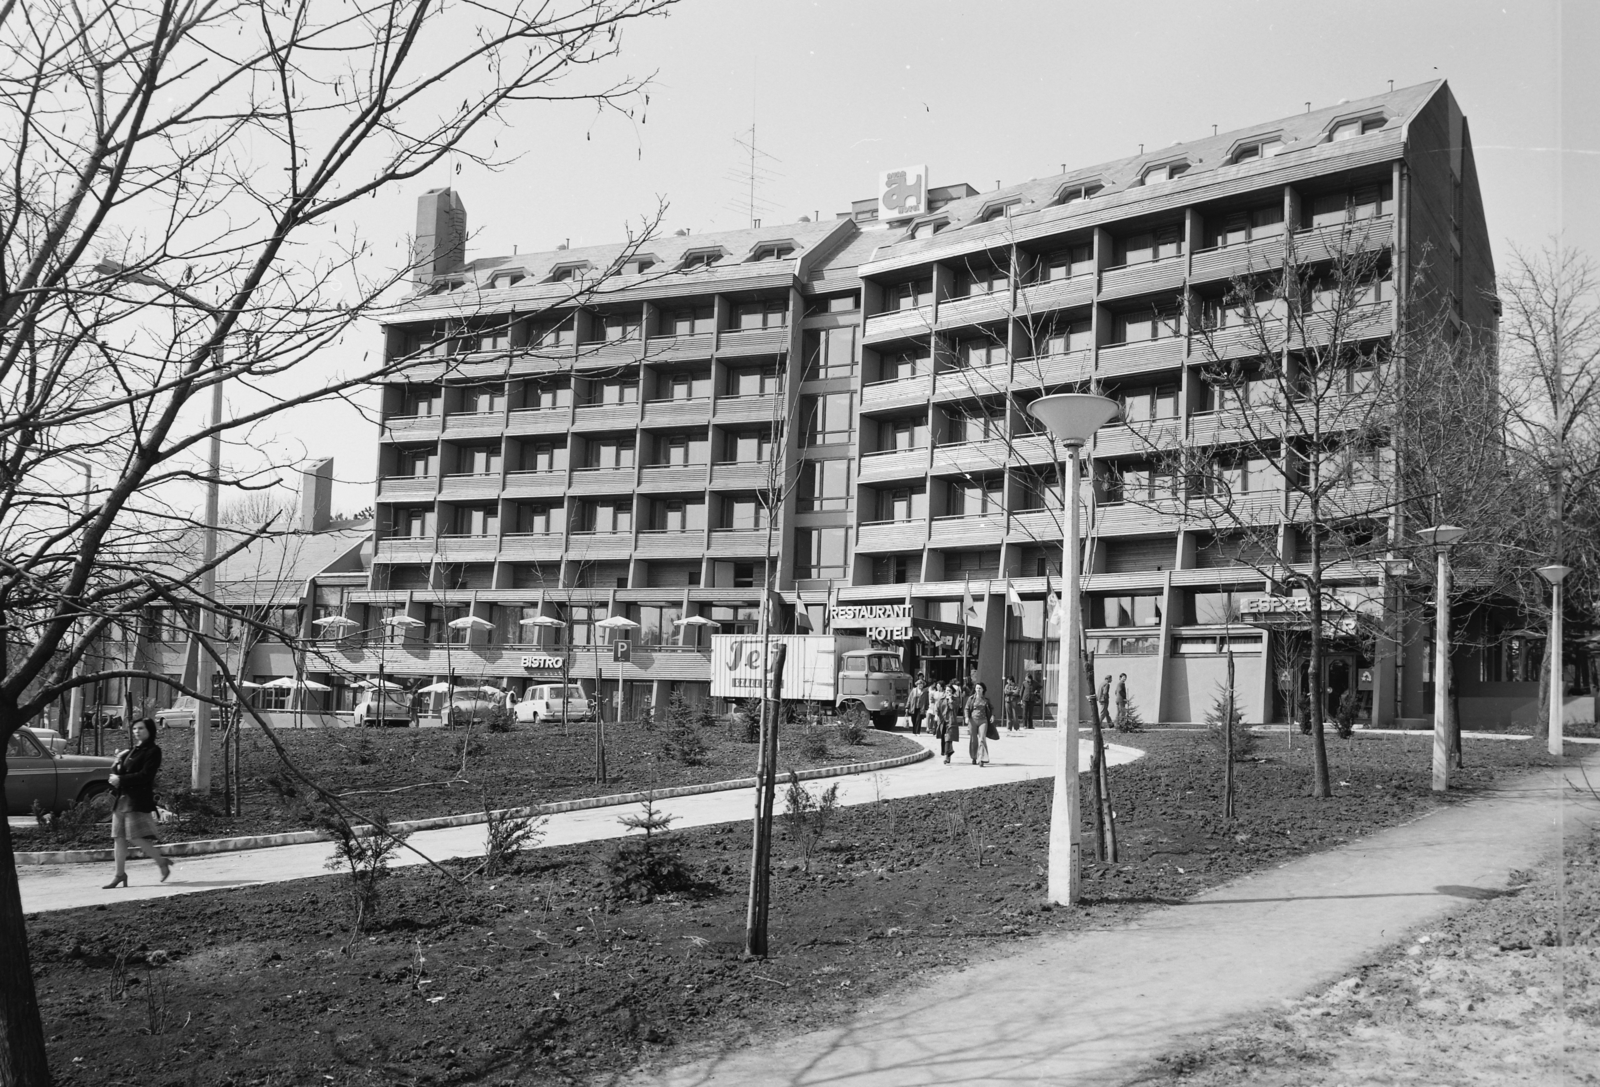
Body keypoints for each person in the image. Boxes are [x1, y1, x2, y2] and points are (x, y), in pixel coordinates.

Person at [104, 718, 171, 888]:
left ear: (149, 730)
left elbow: (146, 776)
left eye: (141, 728)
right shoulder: (132, 751)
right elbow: (119, 773)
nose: (137, 731)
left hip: (137, 800)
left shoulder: (153, 751)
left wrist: (120, 779)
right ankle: (119, 875)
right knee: (118, 838)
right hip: (122, 800)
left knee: (136, 837)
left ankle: (161, 861)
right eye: (134, 728)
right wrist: (117, 762)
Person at [965, 681, 996, 767]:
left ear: (983, 690)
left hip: (983, 721)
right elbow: (966, 708)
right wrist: (967, 717)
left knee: (982, 739)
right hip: (972, 721)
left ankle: (981, 758)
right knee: (973, 739)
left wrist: (992, 715)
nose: (978, 689)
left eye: (980, 688)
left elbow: (992, 708)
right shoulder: (971, 699)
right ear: (975, 689)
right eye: (977, 688)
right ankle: (974, 757)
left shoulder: (986, 700)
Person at [934, 681, 958, 764]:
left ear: (952, 692)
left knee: (949, 738)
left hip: (951, 721)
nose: (948, 692)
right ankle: (947, 753)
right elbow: (937, 707)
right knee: (943, 739)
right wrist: (936, 715)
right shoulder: (941, 699)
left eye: (950, 691)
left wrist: (950, 699)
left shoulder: (955, 700)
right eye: (947, 691)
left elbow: (953, 708)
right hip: (942, 721)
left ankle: (947, 757)